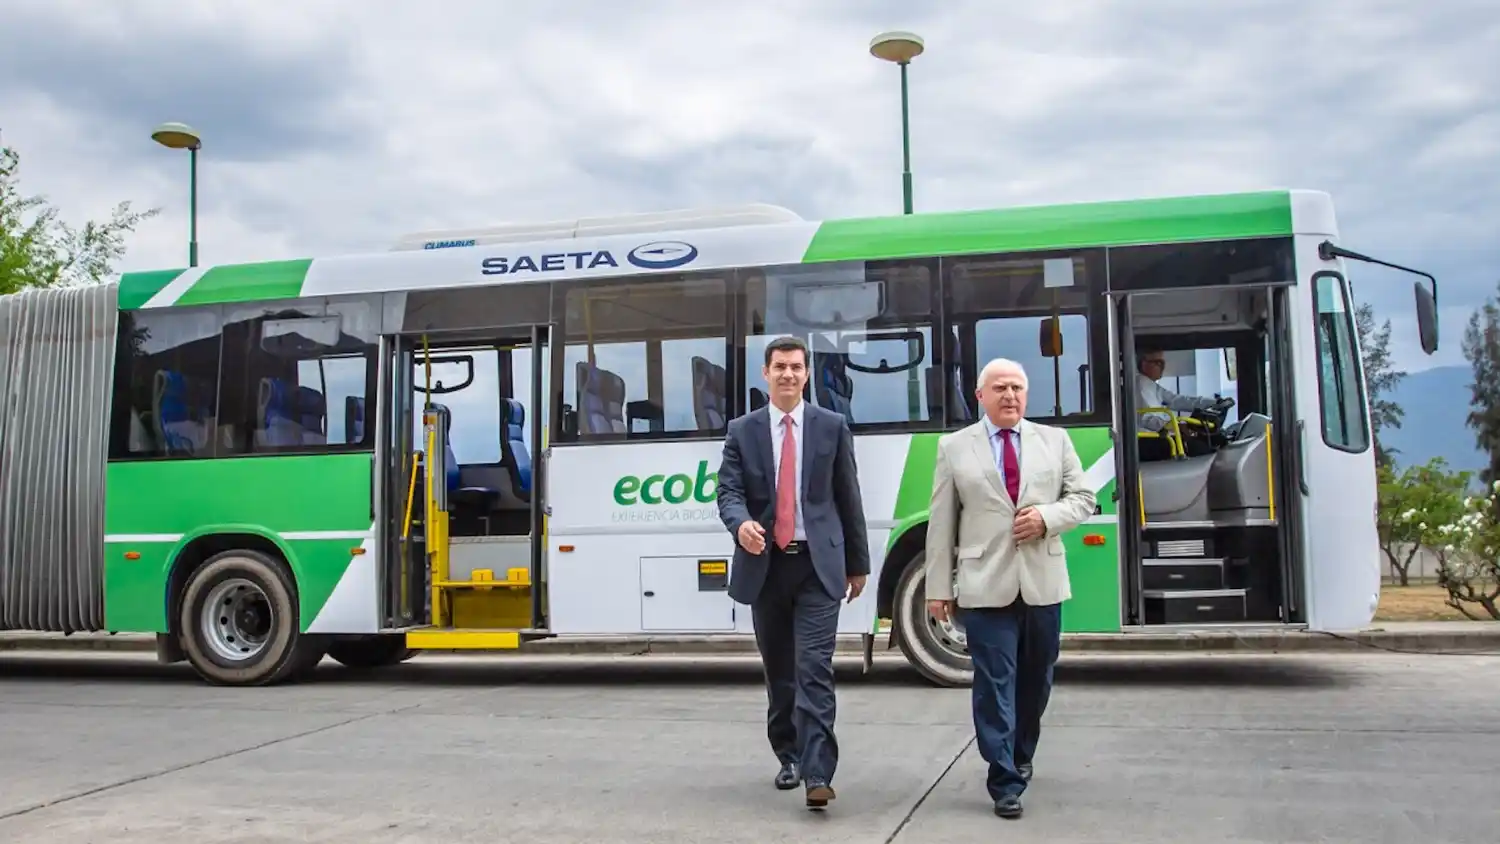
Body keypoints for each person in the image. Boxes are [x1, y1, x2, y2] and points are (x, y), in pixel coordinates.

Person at [924, 358, 1096, 819]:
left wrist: (1046, 518)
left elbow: (1084, 499)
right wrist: (937, 588)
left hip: (1042, 582)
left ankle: (1022, 752)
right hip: (985, 585)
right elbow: (942, 521)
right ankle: (1003, 779)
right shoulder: (955, 447)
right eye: (1000, 387)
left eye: (1017, 387)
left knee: (1036, 679)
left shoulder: (1054, 441)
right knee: (994, 681)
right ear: (980, 395)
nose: (1010, 395)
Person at [716, 335, 871, 810]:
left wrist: (858, 564)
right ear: (765, 374)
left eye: (796, 366)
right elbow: (729, 490)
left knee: (814, 669)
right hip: (766, 567)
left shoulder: (831, 426)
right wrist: (740, 523)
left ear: (806, 374)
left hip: (817, 566)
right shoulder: (742, 431)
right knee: (781, 672)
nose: (787, 374)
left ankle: (818, 772)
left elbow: (848, 496)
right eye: (779, 366)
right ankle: (789, 754)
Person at [1134, 348, 1225, 460]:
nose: (1162, 367)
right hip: (1148, 441)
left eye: (1163, 363)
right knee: (1201, 449)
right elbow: (1146, 418)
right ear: (1144, 364)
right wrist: (1173, 425)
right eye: (1158, 363)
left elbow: (1176, 400)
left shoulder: (1151, 385)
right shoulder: (1140, 385)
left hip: (1158, 437)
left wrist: (1213, 403)